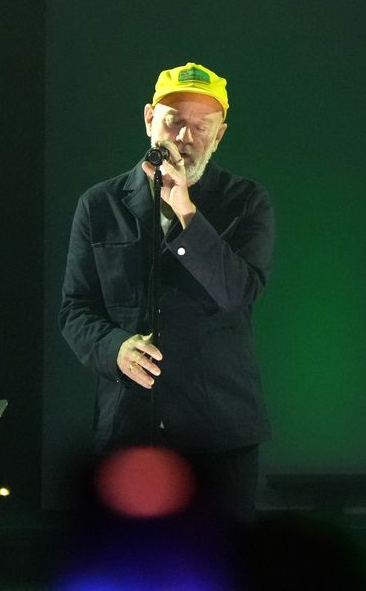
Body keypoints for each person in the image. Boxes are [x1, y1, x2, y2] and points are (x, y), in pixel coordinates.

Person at [60, 61, 274, 521]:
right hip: (128, 429)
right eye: (174, 121)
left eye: (201, 127)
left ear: (219, 136)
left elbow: (238, 293)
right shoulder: (100, 204)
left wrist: (184, 209)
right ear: (148, 119)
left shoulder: (247, 201)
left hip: (218, 433)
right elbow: (75, 308)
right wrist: (114, 348)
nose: (184, 138)